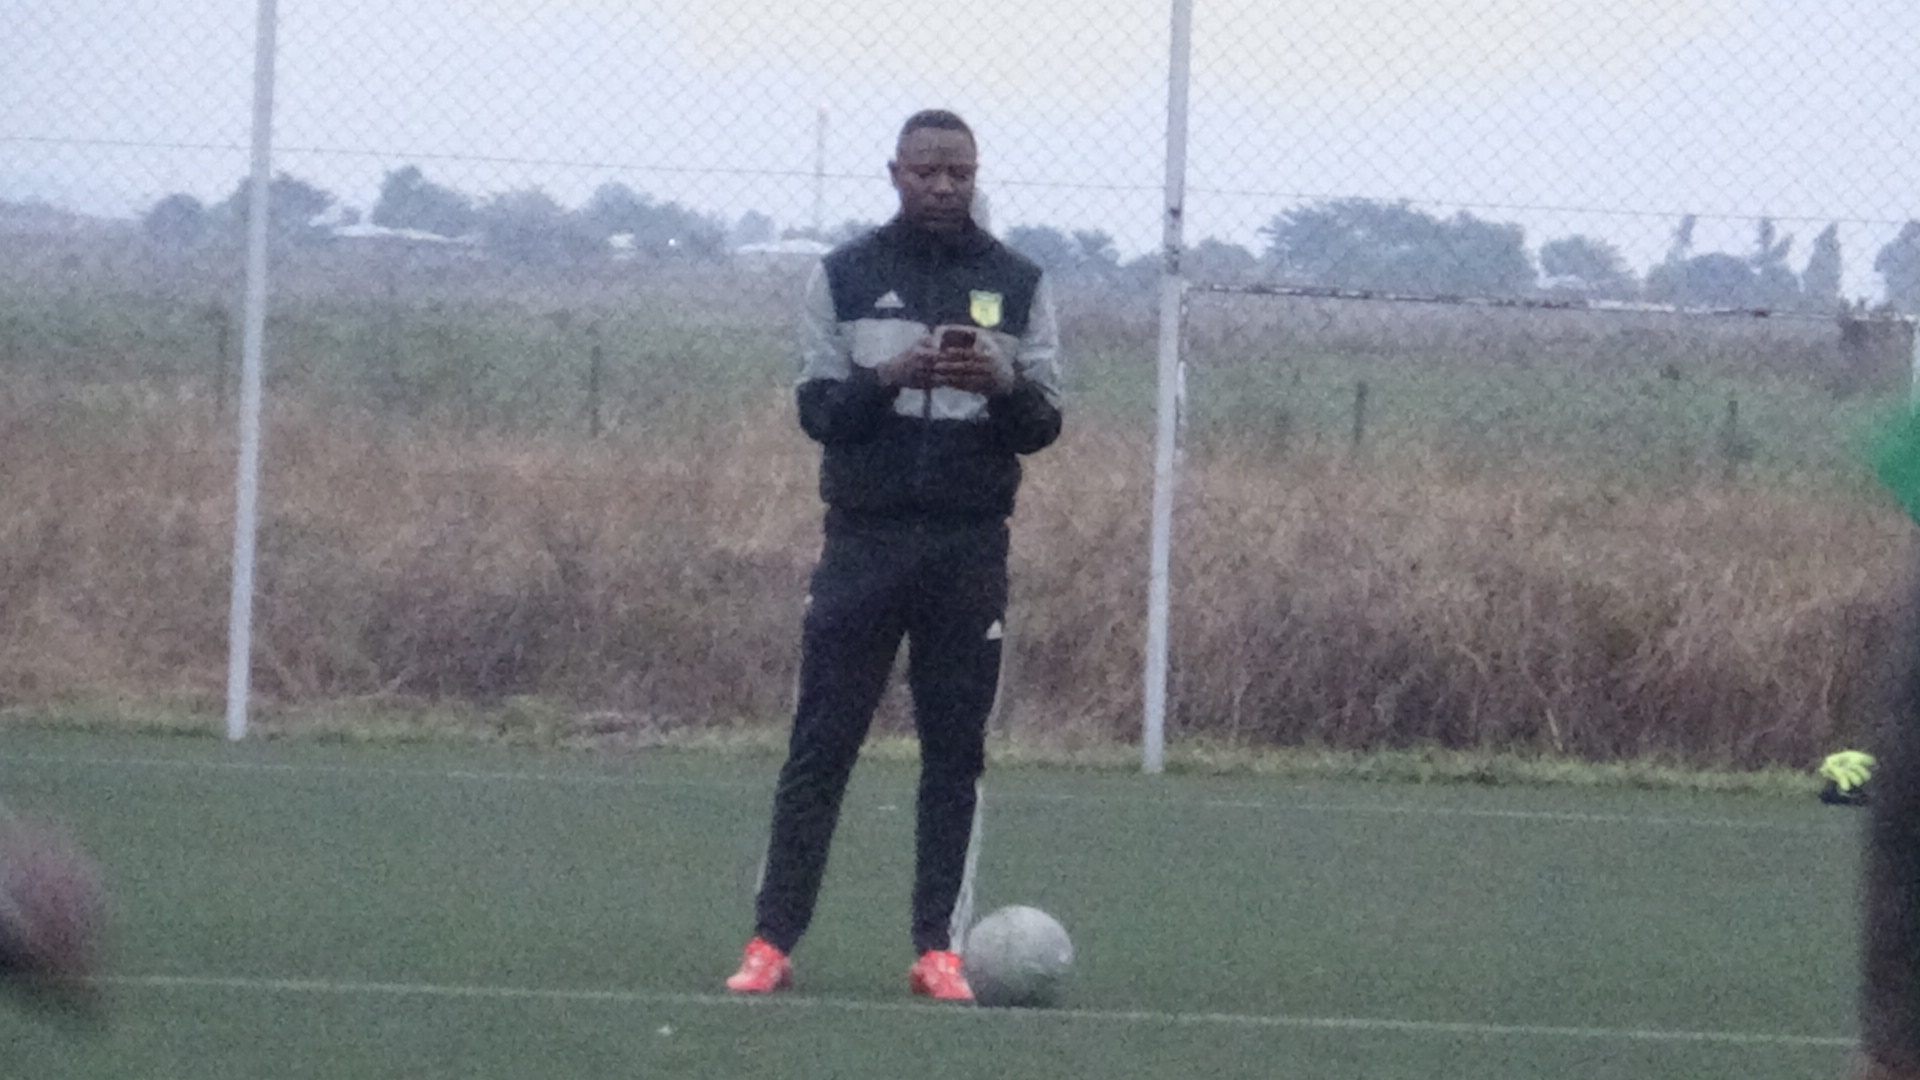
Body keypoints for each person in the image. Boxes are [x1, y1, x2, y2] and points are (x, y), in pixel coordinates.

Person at [725, 109, 1063, 1002]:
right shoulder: (844, 275)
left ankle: (937, 949)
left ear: (975, 175)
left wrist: (1003, 385)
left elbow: (1043, 425)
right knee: (821, 744)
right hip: (863, 544)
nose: (944, 186)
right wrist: (888, 377)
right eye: (926, 172)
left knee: (954, 754)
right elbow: (820, 414)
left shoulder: (1019, 282)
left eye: (959, 172)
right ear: (896, 174)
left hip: (968, 549)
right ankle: (771, 941)